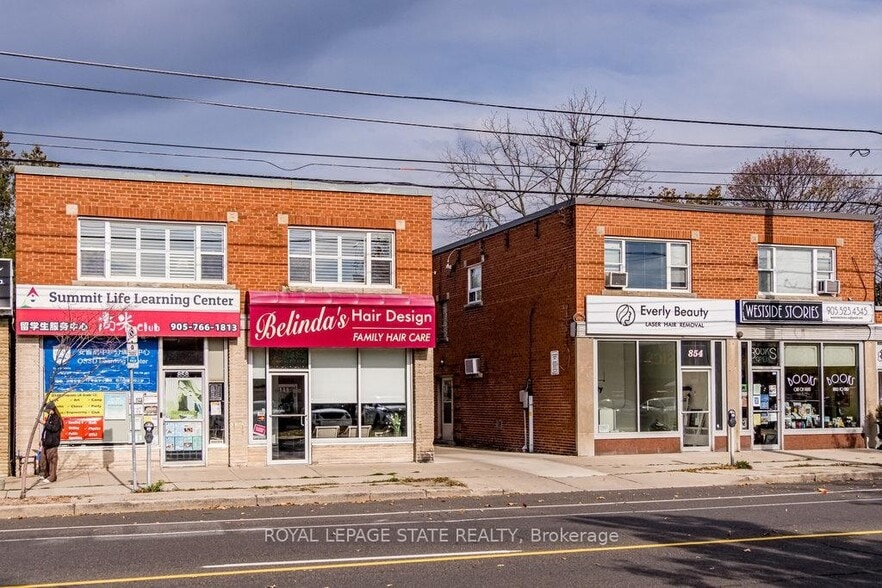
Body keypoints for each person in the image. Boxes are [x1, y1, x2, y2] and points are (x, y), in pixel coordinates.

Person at [40, 401, 63, 483]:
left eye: (48, 410)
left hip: (52, 443)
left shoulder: (56, 418)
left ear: (52, 409)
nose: (47, 412)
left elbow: (54, 429)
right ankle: (46, 474)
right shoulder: (50, 417)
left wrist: (45, 424)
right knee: (45, 459)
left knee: (52, 460)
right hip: (47, 443)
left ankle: (52, 477)